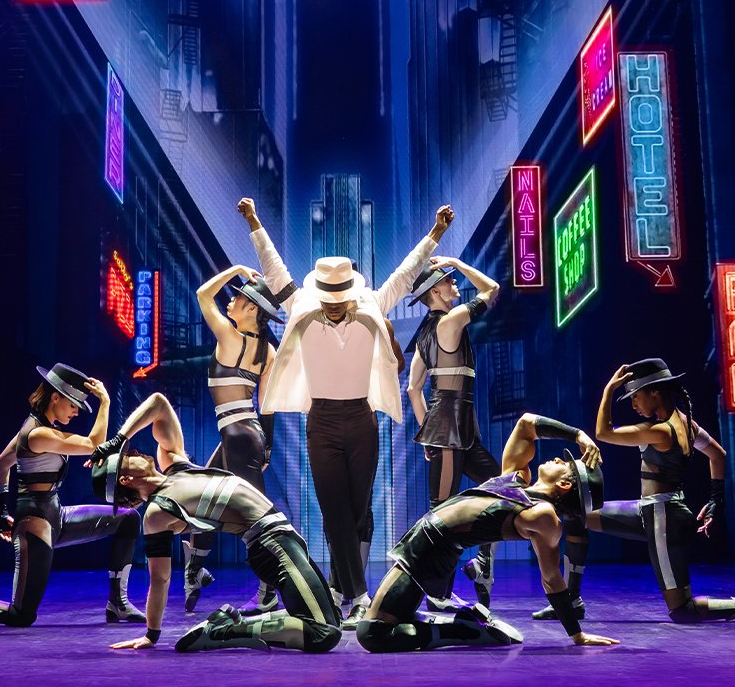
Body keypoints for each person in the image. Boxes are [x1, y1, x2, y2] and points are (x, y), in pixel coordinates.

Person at [239, 196, 453, 628]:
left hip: (362, 420)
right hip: (321, 421)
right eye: (327, 296)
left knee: (356, 511)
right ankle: (357, 597)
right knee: (333, 508)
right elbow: (274, 267)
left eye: (339, 296)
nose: (333, 304)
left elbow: (406, 273)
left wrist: (436, 234)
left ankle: (340, 589)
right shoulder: (301, 305)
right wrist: (254, 221)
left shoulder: (373, 304)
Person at [91, 392, 343, 653]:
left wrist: (119, 437)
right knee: (322, 634)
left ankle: (228, 623)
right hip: (271, 545)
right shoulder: (158, 511)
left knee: (332, 621)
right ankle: (223, 631)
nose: (133, 450)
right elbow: (160, 579)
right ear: (125, 479)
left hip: (285, 538)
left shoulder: (174, 464)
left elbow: (158, 403)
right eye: (126, 454)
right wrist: (151, 635)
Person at [0, 363, 146, 627]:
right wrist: (106, 402)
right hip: (36, 526)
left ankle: (118, 604)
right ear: (56, 397)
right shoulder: (37, 433)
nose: (76, 411)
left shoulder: (36, 427)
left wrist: (1, 513)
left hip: (57, 516)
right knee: (21, 615)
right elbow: (93, 445)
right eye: (74, 404)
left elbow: (0, 466)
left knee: (128, 519)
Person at [355, 412, 617, 652]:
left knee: (373, 633)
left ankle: (464, 630)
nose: (559, 458)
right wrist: (578, 434)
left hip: (429, 552)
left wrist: (577, 634)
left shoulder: (543, 515)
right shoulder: (515, 476)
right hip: (422, 542)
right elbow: (526, 424)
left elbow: (551, 579)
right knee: (381, 624)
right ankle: (464, 621)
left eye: (565, 465)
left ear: (563, 484)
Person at [573, 358, 735, 623]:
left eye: (636, 396)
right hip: (651, 512)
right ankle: (570, 599)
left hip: (663, 518)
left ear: (655, 392)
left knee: (682, 611)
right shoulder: (688, 424)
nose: (634, 404)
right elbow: (718, 455)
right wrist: (716, 499)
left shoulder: (661, 431)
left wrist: (608, 389)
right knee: (578, 514)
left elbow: (603, 432)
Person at [181, 262, 285, 614]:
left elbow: (202, 294)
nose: (231, 300)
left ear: (253, 309)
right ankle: (195, 572)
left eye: (238, 297)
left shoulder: (229, 336)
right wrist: (267, 446)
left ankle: (268, 590)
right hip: (247, 435)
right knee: (205, 503)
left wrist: (236, 268)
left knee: (256, 519)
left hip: (237, 437)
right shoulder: (267, 352)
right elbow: (267, 406)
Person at [403, 255, 501, 610]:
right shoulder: (450, 321)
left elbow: (414, 390)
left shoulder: (425, 336)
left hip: (455, 429)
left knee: (502, 488)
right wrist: (459, 262)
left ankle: (482, 564)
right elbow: (492, 289)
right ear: (435, 292)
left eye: (452, 276)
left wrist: (425, 428)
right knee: (440, 513)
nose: (453, 283)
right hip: (448, 429)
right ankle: (436, 592)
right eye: (448, 279)